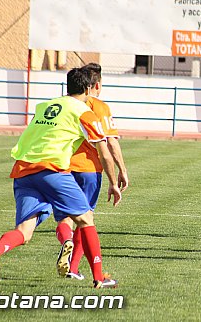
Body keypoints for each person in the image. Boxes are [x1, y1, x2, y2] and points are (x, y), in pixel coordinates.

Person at [0, 67, 121, 288]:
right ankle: (99, 277)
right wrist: (113, 182)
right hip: (52, 170)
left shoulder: (45, 106)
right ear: (87, 89)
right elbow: (104, 151)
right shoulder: (84, 111)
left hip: (23, 171)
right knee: (86, 220)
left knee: (25, 232)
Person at [55, 63, 130, 281]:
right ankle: (75, 267)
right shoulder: (99, 107)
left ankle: (66, 243)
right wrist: (121, 172)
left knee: (67, 217)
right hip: (89, 170)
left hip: (64, 167)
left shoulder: (67, 105)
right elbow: (111, 144)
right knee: (86, 218)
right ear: (96, 85)